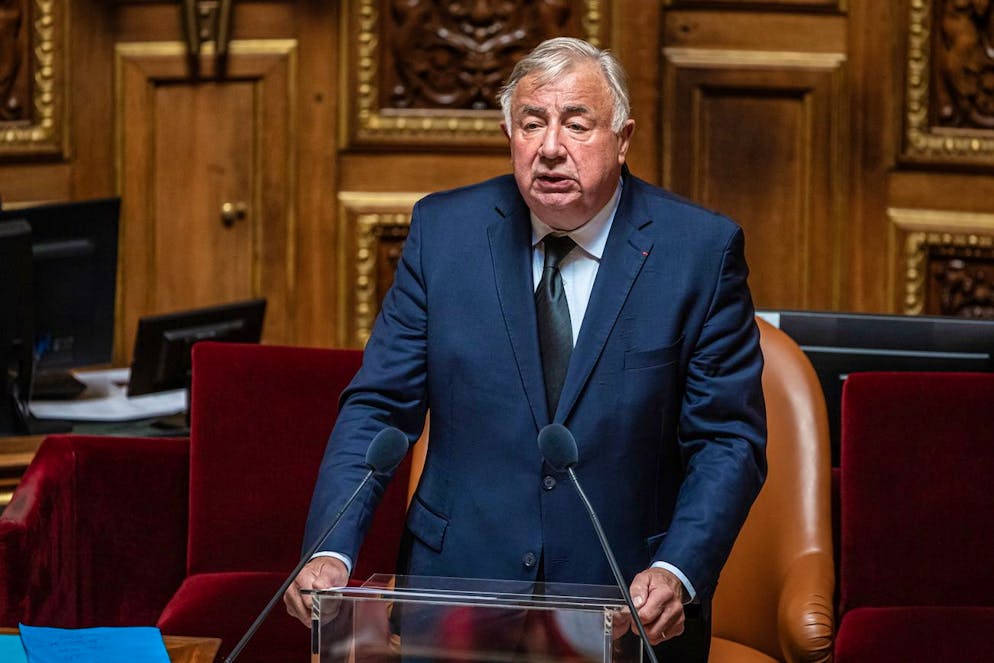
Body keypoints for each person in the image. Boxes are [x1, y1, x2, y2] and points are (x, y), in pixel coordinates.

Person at [284, 36, 766, 661]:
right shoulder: (444, 233)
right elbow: (378, 407)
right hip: (458, 593)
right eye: (531, 123)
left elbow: (727, 440)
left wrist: (679, 568)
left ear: (623, 138)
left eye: (576, 124)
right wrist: (331, 545)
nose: (550, 149)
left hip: (625, 603)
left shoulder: (698, 252)